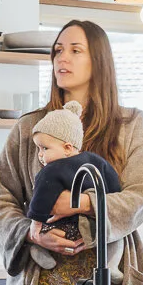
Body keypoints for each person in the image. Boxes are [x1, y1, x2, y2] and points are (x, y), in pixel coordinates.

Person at [0, 19, 143, 285]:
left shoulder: (131, 125)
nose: (62, 58)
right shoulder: (29, 128)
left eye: (75, 50)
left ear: (99, 61)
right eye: (58, 50)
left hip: (113, 282)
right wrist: (32, 233)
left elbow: (140, 197)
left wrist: (83, 204)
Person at [24, 100, 123, 268]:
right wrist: (108, 204)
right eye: (38, 149)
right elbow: (113, 184)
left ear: (67, 148)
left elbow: (40, 198)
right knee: (113, 234)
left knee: (42, 233)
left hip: (65, 228)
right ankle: (111, 265)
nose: (40, 155)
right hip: (89, 227)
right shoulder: (96, 161)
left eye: (44, 148)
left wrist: (36, 225)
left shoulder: (51, 170)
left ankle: (40, 253)